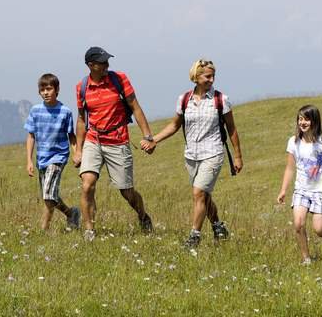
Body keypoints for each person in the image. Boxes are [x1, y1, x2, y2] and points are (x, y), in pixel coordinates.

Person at [148, 58, 243, 248]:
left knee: (198, 193)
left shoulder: (220, 100)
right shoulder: (184, 100)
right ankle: (218, 226)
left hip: (213, 153)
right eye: (207, 76)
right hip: (191, 155)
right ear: (196, 76)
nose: (211, 79)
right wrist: (155, 139)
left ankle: (194, 237)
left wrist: (238, 156)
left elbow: (231, 128)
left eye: (213, 76)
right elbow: (175, 125)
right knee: (204, 196)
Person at [72, 47, 156, 241]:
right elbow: (82, 120)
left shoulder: (120, 79)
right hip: (94, 139)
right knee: (87, 185)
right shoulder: (82, 87)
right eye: (102, 62)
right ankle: (89, 231)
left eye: (107, 61)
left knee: (126, 191)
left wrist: (148, 136)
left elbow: (135, 107)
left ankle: (143, 217)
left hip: (117, 141)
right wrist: (78, 150)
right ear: (91, 66)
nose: (107, 65)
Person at [275, 105, 322, 264]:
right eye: (300, 119)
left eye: (306, 119)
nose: (302, 122)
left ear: (314, 121)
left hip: (321, 190)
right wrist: (283, 190)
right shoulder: (293, 142)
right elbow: (290, 168)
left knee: (319, 229)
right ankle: (306, 259)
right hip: (301, 190)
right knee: (298, 224)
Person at [24, 73, 81, 231]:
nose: (45, 92)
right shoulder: (35, 111)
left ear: (57, 90)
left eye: (49, 89)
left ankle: (44, 231)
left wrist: (77, 154)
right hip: (41, 158)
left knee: (48, 197)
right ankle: (71, 213)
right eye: (42, 89)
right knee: (48, 195)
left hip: (58, 157)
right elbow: (30, 136)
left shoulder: (65, 112)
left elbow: (72, 136)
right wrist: (29, 161)